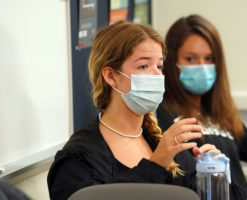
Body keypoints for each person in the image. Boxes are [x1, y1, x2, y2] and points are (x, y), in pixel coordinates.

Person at [47, 21, 220, 200]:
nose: (157, 76)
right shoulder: (78, 158)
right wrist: (156, 165)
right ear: (111, 76)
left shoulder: (163, 144)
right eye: (143, 66)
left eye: (159, 66)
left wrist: (212, 176)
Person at [157, 14, 247, 199]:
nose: (202, 67)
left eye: (210, 58)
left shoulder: (224, 117)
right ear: (172, 63)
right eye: (190, 59)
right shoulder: (158, 114)